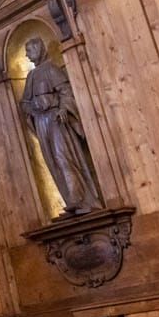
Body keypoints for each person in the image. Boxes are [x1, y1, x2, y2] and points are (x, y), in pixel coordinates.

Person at [21, 37, 102, 216]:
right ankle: (69, 199)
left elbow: (66, 92)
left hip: (55, 118)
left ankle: (80, 198)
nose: (27, 55)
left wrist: (63, 108)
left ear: (39, 49)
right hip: (41, 120)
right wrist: (33, 109)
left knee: (63, 156)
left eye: (30, 50)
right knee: (52, 161)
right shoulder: (31, 76)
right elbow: (25, 102)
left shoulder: (51, 69)